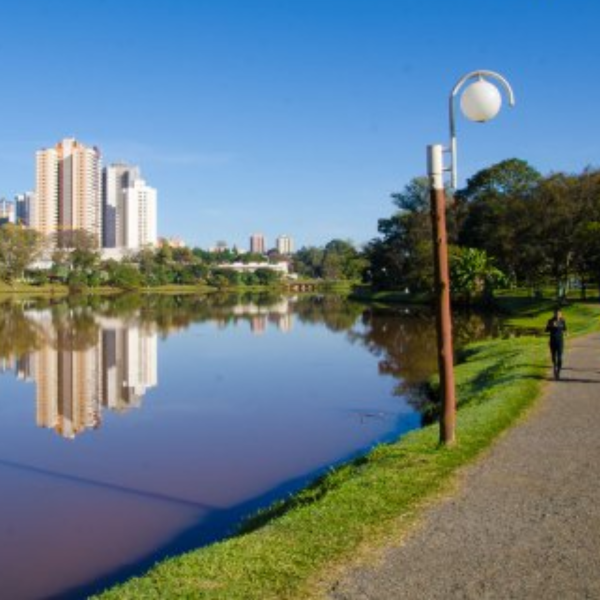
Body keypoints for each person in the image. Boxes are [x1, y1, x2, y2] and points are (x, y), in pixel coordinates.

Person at [545, 309, 567, 379]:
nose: (558, 315)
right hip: (552, 341)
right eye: (556, 314)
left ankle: (558, 372)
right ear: (554, 314)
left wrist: (566, 333)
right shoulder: (550, 321)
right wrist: (551, 325)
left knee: (560, 357)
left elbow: (565, 329)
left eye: (559, 314)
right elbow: (546, 330)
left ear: (561, 314)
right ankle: (554, 367)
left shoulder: (562, 321)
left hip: (560, 341)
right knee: (553, 356)